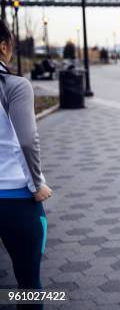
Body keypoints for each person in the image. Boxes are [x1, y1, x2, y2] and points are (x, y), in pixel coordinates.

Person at [0, 20, 52, 308]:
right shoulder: (15, 86)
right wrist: (37, 185)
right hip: (17, 200)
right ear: (3, 46)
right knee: (28, 284)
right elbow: (27, 141)